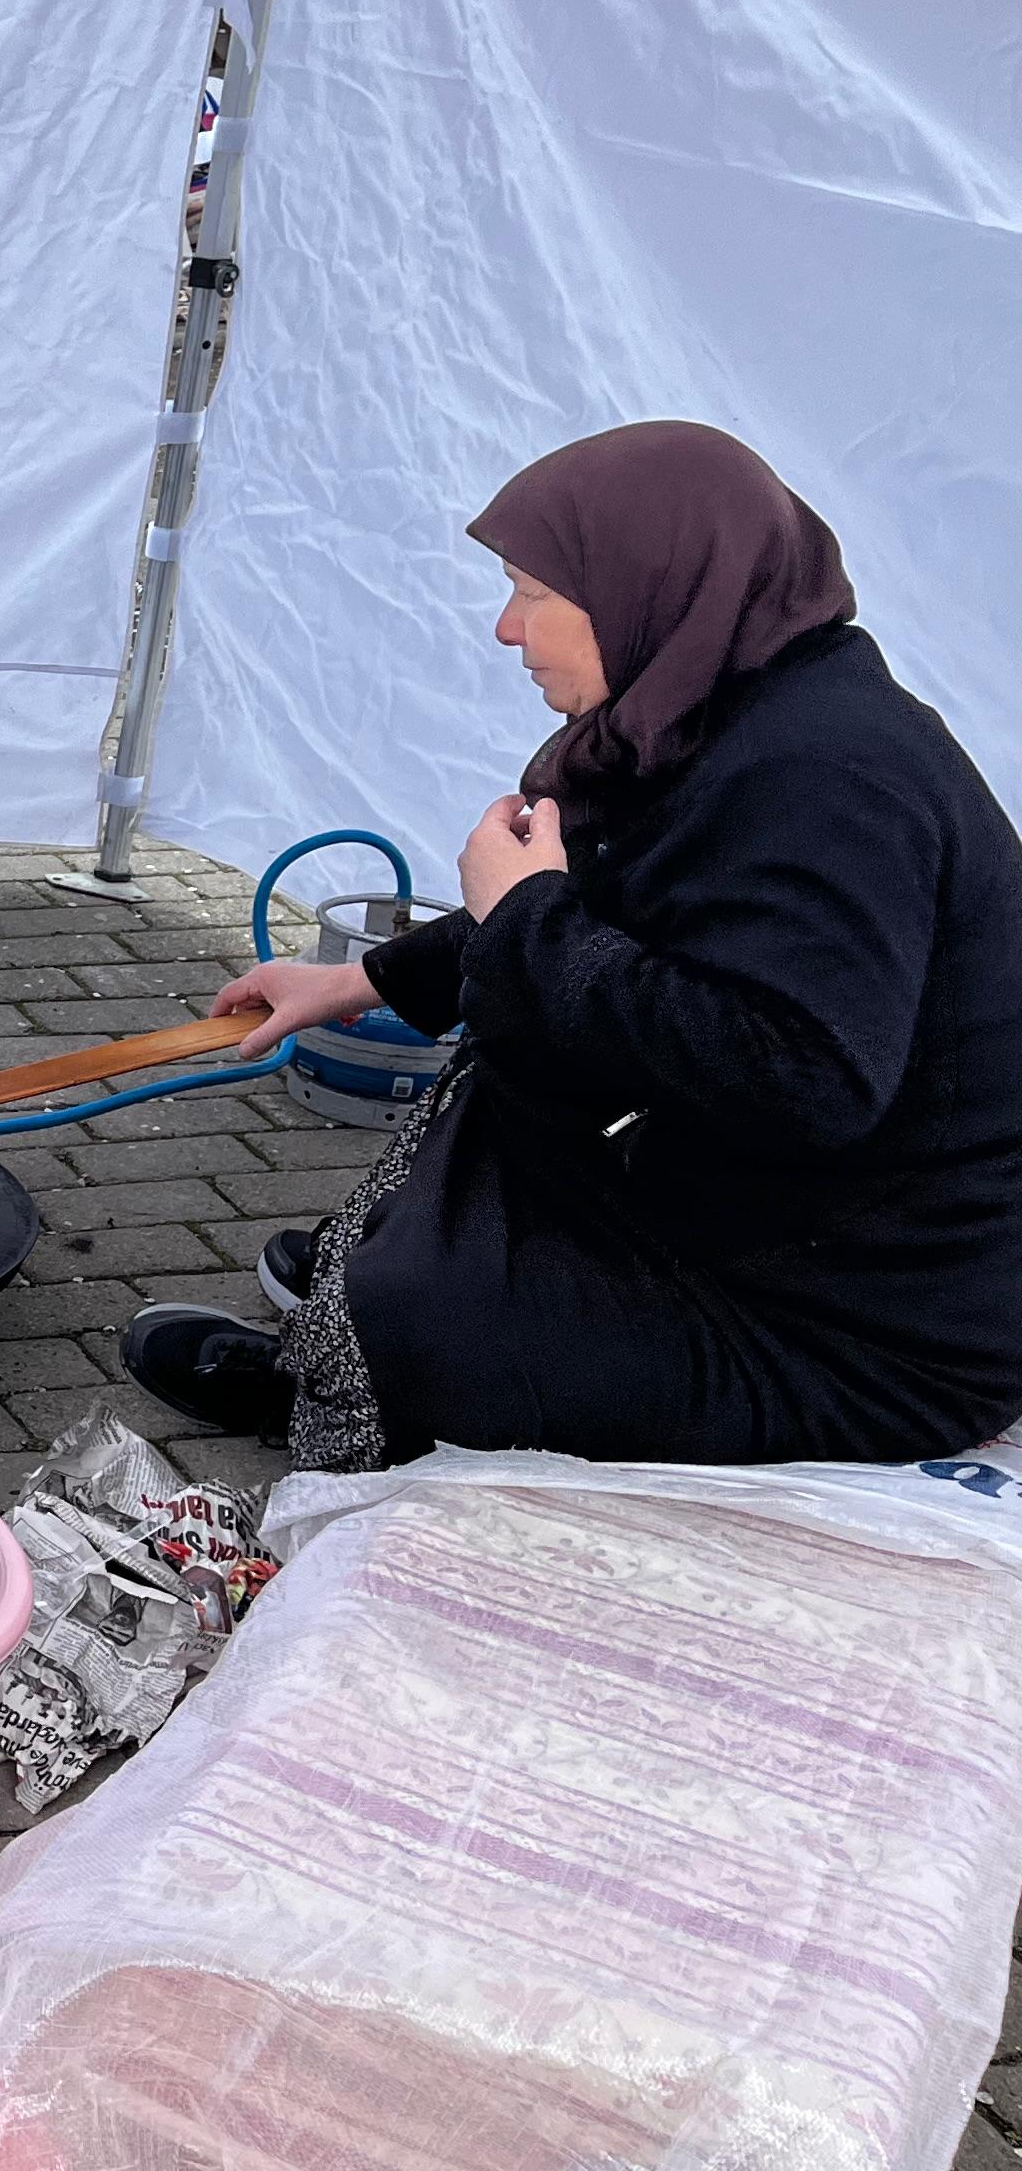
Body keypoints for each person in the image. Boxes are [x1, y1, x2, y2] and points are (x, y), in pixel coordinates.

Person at [128, 423, 1022, 1471]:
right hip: (782, 1220)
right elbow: (614, 899)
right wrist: (358, 979)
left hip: (873, 1323)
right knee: (495, 1111)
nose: (508, 628)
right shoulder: (738, 706)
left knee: (426, 1309)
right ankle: (351, 1319)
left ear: (652, 586)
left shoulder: (829, 779)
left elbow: (808, 1077)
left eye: (536, 593)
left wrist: (527, 919)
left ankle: (350, 1367)